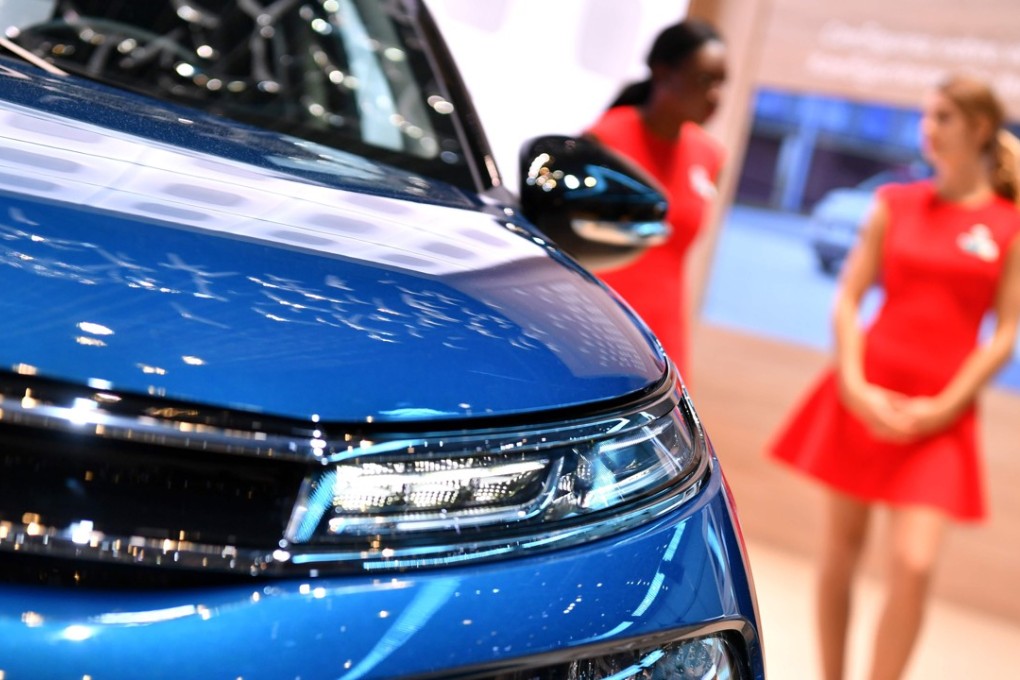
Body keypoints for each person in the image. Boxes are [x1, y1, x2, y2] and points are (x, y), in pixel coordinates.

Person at [769, 73, 1020, 680]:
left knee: (913, 561)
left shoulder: (1009, 222)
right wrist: (852, 383)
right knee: (841, 549)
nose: (927, 130)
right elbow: (849, 298)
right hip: (864, 391)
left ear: (980, 128)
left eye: (943, 118)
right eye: (926, 117)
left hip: (941, 413)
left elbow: (1005, 332)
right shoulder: (894, 203)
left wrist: (945, 407)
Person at [583, 18, 727, 380]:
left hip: (666, 334)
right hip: (599, 327)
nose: (715, 97)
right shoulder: (605, 141)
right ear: (664, 74)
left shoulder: (710, 156)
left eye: (722, 83)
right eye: (705, 80)